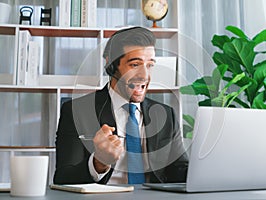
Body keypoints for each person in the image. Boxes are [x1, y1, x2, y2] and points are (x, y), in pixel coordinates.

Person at [53, 26, 188, 184]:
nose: (145, 75)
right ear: (111, 65)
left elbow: (180, 170)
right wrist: (99, 162)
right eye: (135, 65)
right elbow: (63, 178)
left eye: (150, 65)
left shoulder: (165, 114)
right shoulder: (77, 111)